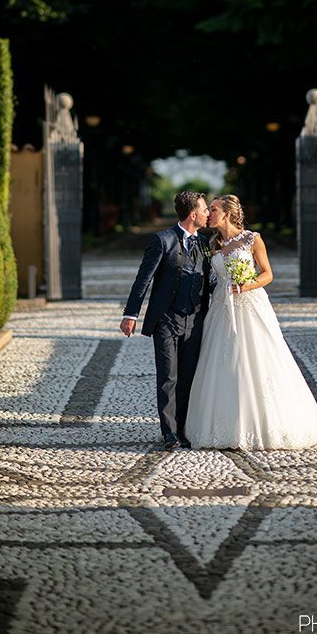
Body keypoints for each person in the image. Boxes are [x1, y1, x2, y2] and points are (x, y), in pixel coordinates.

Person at [184, 194, 317, 451]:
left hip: (249, 305)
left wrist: (246, 285)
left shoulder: (252, 239)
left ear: (226, 213)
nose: (209, 213)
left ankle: (266, 425)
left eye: (213, 209)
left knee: (258, 358)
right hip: (220, 309)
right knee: (222, 362)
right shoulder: (212, 243)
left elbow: (268, 274)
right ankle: (223, 424)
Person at [120, 191, 213, 450]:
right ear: (193, 214)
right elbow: (144, 279)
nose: (208, 214)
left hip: (195, 320)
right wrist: (131, 314)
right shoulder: (162, 240)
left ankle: (184, 429)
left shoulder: (205, 243)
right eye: (205, 210)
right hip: (166, 320)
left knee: (188, 377)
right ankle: (170, 433)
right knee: (168, 377)